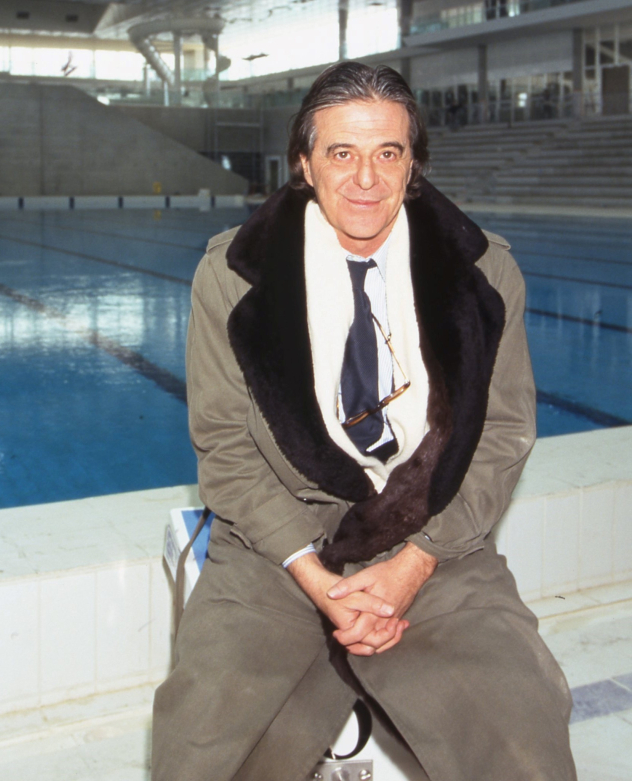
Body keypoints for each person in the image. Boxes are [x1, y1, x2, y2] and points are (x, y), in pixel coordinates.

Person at [152, 62, 576, 781]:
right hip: (277, 548)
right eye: (341, 153)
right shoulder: (231, 275)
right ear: (303, 166)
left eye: (388, 153)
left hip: (434, 540)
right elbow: (224, 445)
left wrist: (417, 562)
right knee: (202, 750)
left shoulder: (484, 274)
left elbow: (503, 435)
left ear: (413, 165)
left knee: (520, 736)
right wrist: (314, 576)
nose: (366, 179)